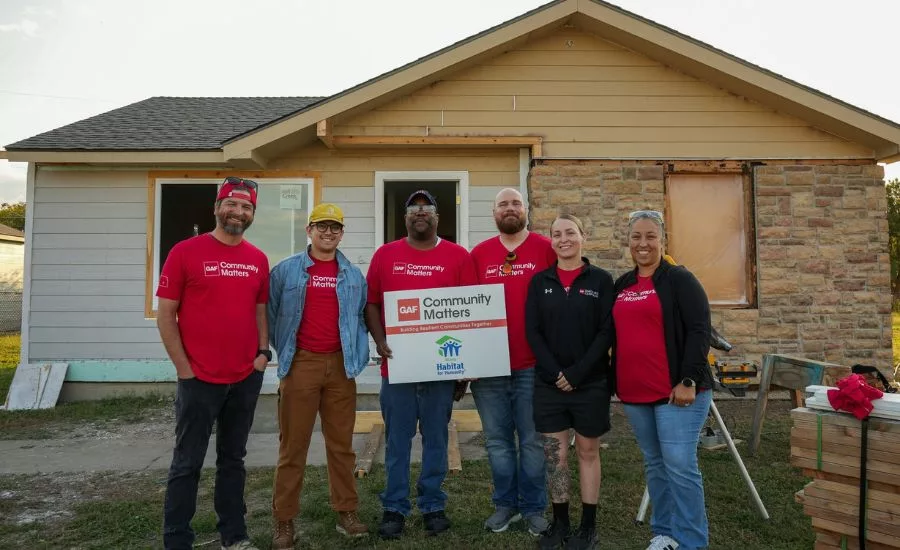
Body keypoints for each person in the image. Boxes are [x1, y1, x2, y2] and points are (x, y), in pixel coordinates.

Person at [157, 177, 270, 550]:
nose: (238, 212)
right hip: (199, 378)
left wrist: (262, 353)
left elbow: (259, 310)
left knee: (233, 460)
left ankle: (234, 536)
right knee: (187, 463)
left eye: (246, 207)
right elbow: (166, 315)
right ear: (217, 207)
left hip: (244, 377)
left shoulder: (257, 259)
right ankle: (177, 540)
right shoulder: (185, 252)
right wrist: (184, 369)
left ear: (253, 213)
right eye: (232, 205)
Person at [365, 189, 477, 539]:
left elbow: (469, 312)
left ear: (437, 217)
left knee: (436, 440)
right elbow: (371, 304)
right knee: (397, 442)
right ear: (405, 218)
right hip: (397, 370)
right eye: (413, 208)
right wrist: (380, 340)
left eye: (427, 207)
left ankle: (432, 505)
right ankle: (394, 507)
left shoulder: (459, 257)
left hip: (441, 371)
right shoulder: (385, 255)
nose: (420, 213)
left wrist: (464, 370)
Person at [267, 203, 370, 548]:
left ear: (342, 233)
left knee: (341, 446)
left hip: (342, 366)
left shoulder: (354, 275)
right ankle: (284, 520)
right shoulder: (286, 272)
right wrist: (281, 354)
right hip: (301, 365)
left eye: (335, 228)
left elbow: (359, 318)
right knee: (292, 446)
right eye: (322, 227)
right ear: (309, 230)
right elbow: (270, 315)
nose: (328, 233)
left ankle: (347, 511)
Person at [612, 210, 713, 550]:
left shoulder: (679, 279)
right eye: (637, 237)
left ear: (662, 240)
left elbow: (700, 331)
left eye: (650, 236)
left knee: (680, 466)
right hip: (635, 391)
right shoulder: (623, 284)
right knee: (656, 464)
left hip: (677, 391)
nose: (643, 243)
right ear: (628, 241)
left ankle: (692, 542)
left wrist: (688, 380)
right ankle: (665, 533)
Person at [525, 214, 615, 550]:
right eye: (557, 234)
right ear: (551, 240)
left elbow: (606, 331)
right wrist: (555, 373)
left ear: (583, 237)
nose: (564, 239)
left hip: (590, 382)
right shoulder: (540, 282)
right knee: (555, 455)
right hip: (549, 384)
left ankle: (588, 527)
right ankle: (560, 523)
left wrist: (577, 373)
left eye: (570, 233)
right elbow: (532, 331)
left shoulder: (602, 280)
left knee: (588, 451)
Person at [469, 188, 556, 536]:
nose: (510, 208)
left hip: (533, 365)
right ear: (493, 213)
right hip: (488, 368)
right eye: (503, 204)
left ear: (526, 210)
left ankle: (534, 507)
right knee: (497, 441)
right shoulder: (479, 255)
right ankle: (505, 505)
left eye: (515, 203)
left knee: (533, 441)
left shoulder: (546, 249)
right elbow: (463, 310)